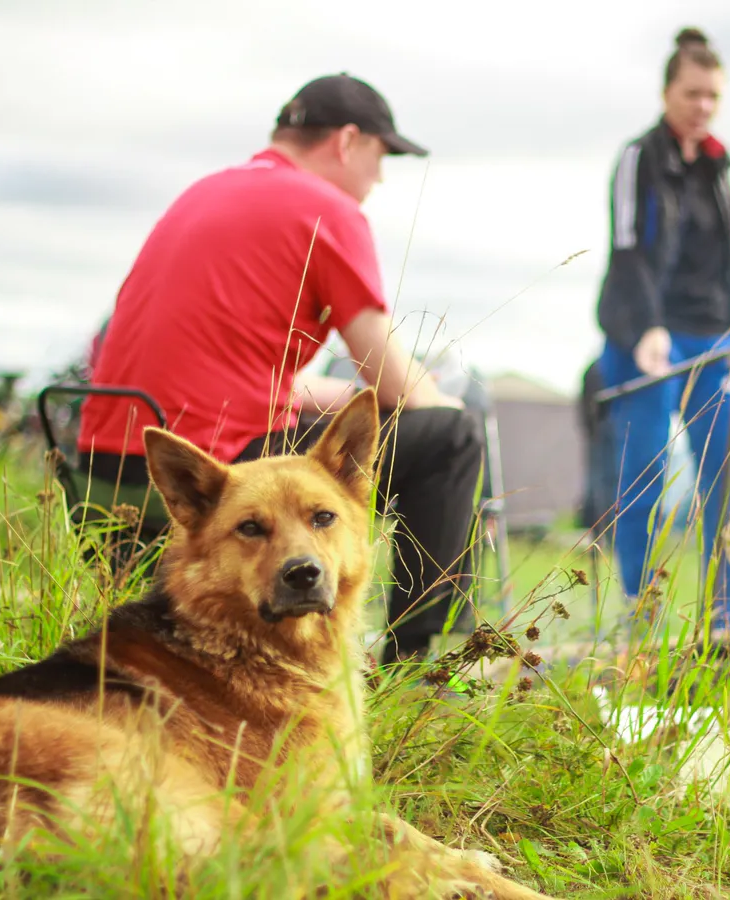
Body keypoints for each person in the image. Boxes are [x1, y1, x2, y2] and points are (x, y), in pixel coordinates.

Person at [76, 74, 485, 667]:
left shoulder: (208, 192)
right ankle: (425, 665)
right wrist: (446, 406)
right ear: (347, 142)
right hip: (219, 470)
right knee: (451, 438)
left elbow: (225, 362)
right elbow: (398, 384)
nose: (381, 177)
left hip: (103, 470)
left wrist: (341, 393)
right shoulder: (328, 210)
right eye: (381, 155)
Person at [592, 27, 730, 649]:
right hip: (645, 336)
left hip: (713, 338)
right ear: (667, 92)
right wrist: (645, 328)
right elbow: (628, 247)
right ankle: (641, 613)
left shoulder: (719, 165)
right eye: (692, 93)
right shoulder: (639, 158)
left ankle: (726, 617)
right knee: (643, 479)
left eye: (712, 95)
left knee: (726, 480)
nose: (703, 106)